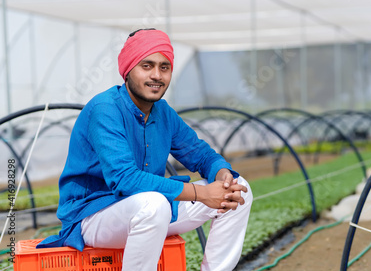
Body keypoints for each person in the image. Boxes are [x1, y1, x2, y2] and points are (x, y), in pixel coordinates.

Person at [38, 28, 253, 271]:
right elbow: (125, 180)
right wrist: (202, 193)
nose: (156, 75)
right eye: (147, 65)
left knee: (239, 190)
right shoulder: (105, 109)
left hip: (147, 211)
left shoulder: (163, 112)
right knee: (154, 204)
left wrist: (222, 175)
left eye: (164, 67)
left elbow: (201, 155)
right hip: (93, 215)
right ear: (128, 70)